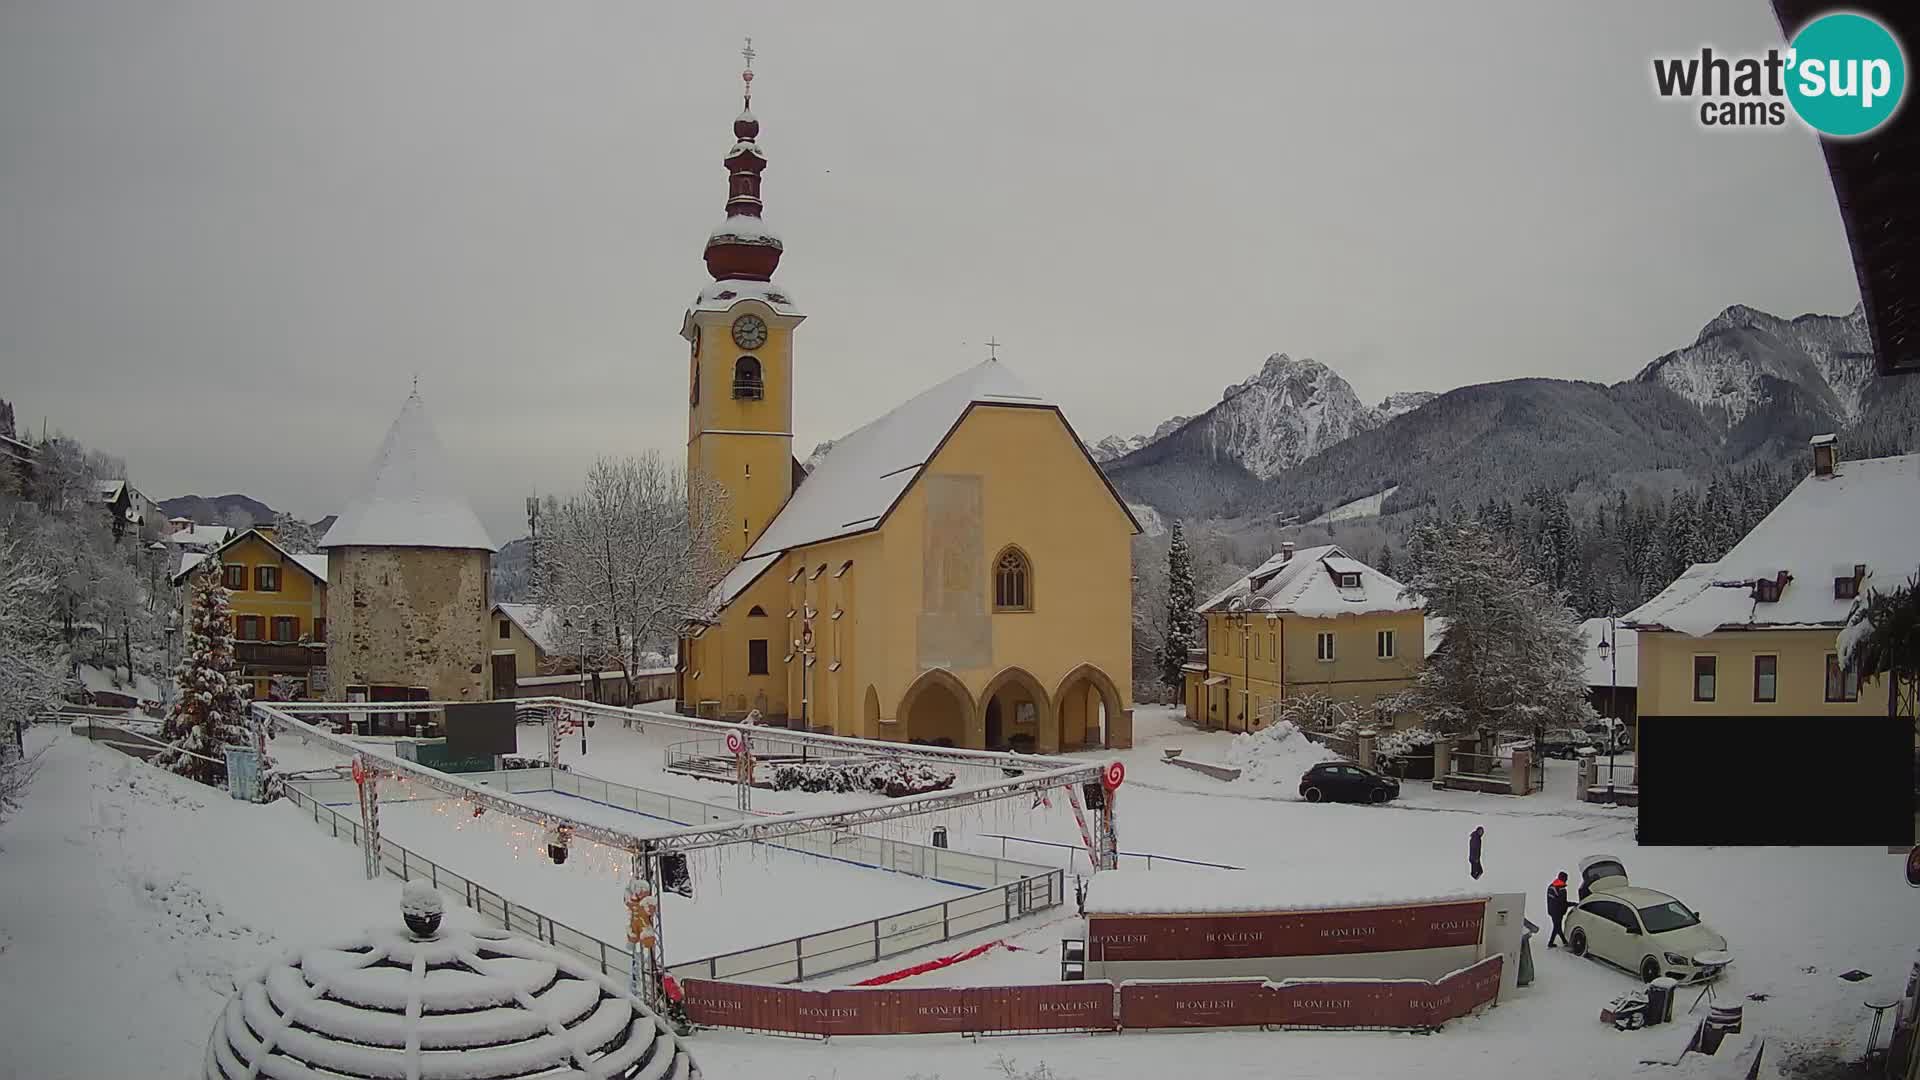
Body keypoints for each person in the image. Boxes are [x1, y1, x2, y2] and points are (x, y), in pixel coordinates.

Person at [1546, 870, 1570, 947]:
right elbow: (1563, 903)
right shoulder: (1561, 889)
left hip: (1551, 910)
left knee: (1557, 927)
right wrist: (1574, 904)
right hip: (1558, 912)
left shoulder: (1551, 886)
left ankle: (1564, 941)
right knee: (1557, 927)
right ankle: (1551, 943)